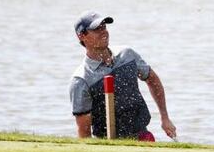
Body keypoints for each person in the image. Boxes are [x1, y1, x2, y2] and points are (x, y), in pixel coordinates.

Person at [69, 12, 177, 140]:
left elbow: (152, 79)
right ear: (82, 36)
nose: (103, 32)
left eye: (104, 27)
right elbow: (84, 132)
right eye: (97, 29)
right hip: (108, 143)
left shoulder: (127, 55)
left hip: (143, 135)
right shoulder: (81, 80)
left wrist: (164, 117)